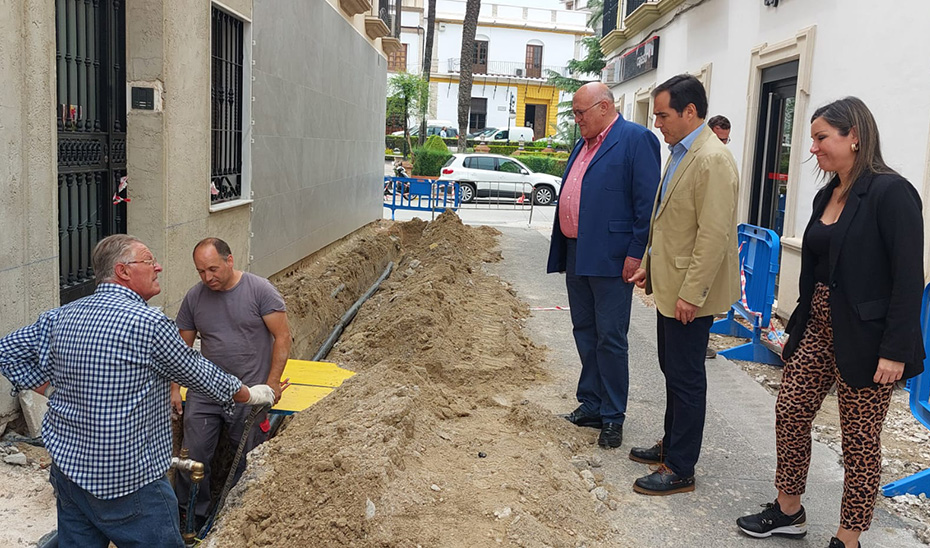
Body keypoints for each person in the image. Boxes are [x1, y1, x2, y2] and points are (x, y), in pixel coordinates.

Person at [0, 235, 275, 547]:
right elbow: (200, 374)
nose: (158, 266)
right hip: (129, 482)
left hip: (69, 470)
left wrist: (50, 390)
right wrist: (249, 395)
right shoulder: (148, 324)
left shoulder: (61, 316)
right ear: (123, 271)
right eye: (149, 261)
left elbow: (6, 351)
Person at [736, 97, 924, 548]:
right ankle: (788, 510)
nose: (813, 149)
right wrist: (796, 330)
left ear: (853, 136)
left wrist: (895, 349)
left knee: (859, 440)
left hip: (867, 337)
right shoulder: (827, 193)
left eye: (821, 138)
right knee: (790, 410)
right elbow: (819, 271)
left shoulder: (891, 192)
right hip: (817, 328)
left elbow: (908, 276)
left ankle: (848, 537)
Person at [628, 74, 740, 494]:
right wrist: (650, 266)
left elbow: (712, 235)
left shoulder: (712, 158)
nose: (657, 122)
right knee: (672, 371)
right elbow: (672, 222)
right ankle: (671, 444)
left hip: (690, 295)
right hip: (671, 286)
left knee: (687, 377)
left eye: (663, 114)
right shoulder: (680, 152)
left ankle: (680, 467)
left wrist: (692, 294)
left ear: (690, 112)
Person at [547, 81, 661, 449]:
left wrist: (635, 253)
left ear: (604, 107)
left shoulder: (635, 139)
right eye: (575, 113)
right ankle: (591, 403)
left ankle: (613, 415)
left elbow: (646, 207)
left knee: (610, 337)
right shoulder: (583, 143)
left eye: (581, 112)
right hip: (578, 251)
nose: (576, 119)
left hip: (613, 258)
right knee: (585, 329)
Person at [172, 237, 291, 529]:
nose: (207, 277)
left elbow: (283, 337)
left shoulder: (259, 290)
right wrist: (175, 389)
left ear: (229, 260)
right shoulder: (194, 297)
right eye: (200, 271)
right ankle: (191, 516)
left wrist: (271, 384)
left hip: (249, 393)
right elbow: (178, 349)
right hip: (205, 392)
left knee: (248, 458)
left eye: (213, 269)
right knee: (194, 456)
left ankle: (237, 518)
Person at [704, 113, 733, 360]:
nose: (722, 145)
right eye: (718, 138)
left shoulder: (720, 160)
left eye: (726, 140)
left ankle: (701, 343)